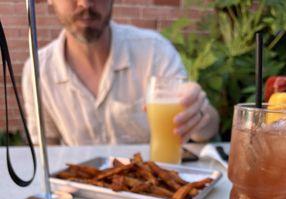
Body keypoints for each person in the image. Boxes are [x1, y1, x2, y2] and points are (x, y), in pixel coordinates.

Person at [22, 0, 219, 146]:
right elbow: (46, 149)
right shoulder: (38, 71)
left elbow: (205, 131)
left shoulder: (154, 51)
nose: (85, 4)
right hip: (79, 194)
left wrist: (199, 115)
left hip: (151, 190)